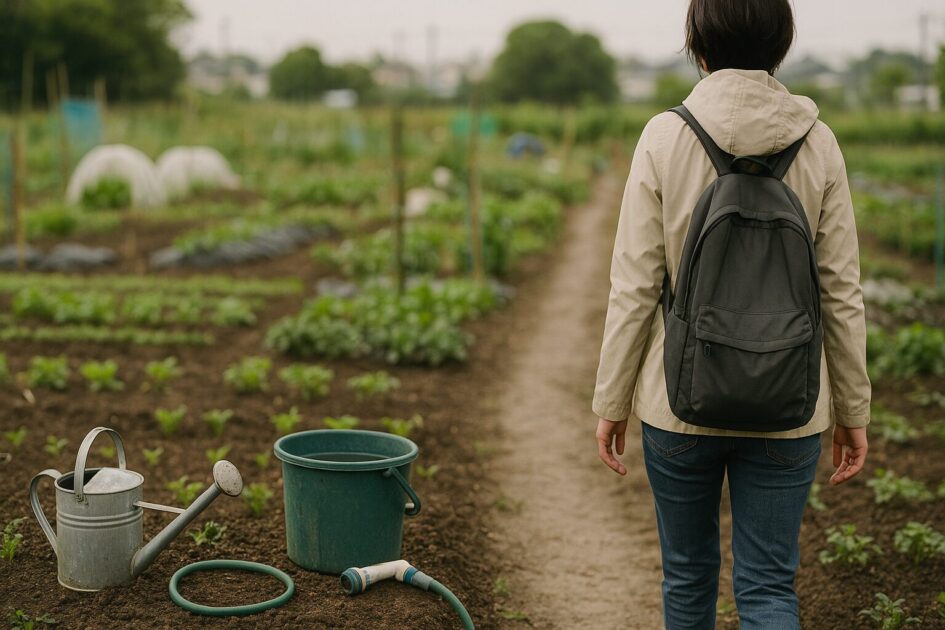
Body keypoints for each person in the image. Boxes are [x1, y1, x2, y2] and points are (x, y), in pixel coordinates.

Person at [592, 1, 871, 628]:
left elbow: (635, 286)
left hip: (678, 404)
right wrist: (852, 410)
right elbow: (841, 292)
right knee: (770, 588)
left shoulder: (665, 135)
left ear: (698, 42)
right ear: (782, 42)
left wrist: (611, 401)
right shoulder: (818, 142)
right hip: (789, 407)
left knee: (688, 579)